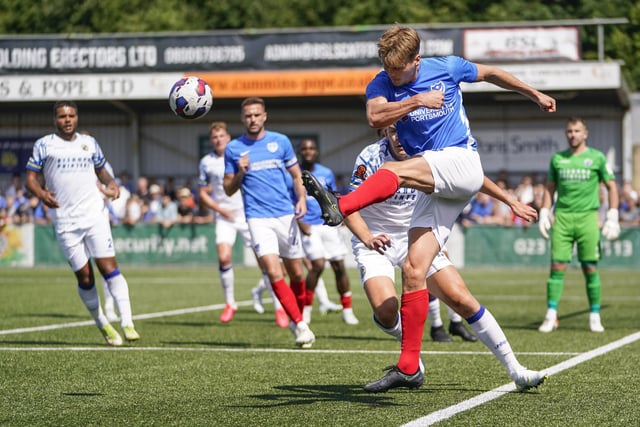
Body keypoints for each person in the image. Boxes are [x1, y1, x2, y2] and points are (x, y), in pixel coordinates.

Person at [303, 25, 555, 392]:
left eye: (399, 70)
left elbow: (491, 73)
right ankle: (420, 367)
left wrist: (532, 93)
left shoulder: (448, 67)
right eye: (387, 69)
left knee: (393, 173)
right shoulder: (381, 84)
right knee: (421, 274)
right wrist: (415, 101)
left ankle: (340, 205)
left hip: (461, 161)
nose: (391, 76)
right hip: (435, 188)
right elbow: (375, 118)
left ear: (417, 60)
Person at [344, 125, 478, 344]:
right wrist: (368, 238)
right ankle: (413, 345)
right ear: (384, 133)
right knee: (386, 311)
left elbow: (466, 181)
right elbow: (349, 206)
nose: (398, 137)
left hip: (416, 233)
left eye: (402, 130)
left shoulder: (429, 153)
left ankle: (513, 367)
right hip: (377, 238)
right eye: (392, 131)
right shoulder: (370, 157)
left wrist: (508, 200)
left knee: (461, 299)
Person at [24, 100, 140, 346]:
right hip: (66, 221)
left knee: (110, 268)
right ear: (55, 119)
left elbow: (102, 170)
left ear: (77, 118)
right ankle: (102, 323)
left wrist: (112, 184)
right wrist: (42, 194)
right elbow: (30, 180)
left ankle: (128, 321)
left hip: (94, 215)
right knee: (85, 278)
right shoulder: (44, 145)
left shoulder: (89, 143)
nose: (67, 120)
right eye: (62, 116)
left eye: (71, 115)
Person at [223, 97, 315, 348]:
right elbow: (228, 189)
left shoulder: (280, 141)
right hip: (257, 218)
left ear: (265, 116)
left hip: (285, 215)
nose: (252, 119)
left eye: (256, 115)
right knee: (274, 271)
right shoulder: (233, 149)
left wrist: (302, 200)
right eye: (248, 116)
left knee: (297, 273)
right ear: (242, 119)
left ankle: (300, 316)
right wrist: (240, 172)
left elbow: (297, 175)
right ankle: (299, 325)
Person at [198, 121, 288, 327]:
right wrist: (221, 210)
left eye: (221, 136)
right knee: (223, 257)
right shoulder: (206, 162)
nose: (218, 140)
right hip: (224, 217)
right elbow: (203, 194)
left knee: (267, 264)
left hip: (248, 214)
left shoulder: (241, 155)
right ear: (211, 140)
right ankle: (230, 303)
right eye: (214, 137)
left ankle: (278, 306)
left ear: (228, 138)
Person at [537, 117, 620, 333]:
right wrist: (545, 212)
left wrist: (612, 215)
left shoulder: (597, 158)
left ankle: (594, 314)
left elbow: (612, 187)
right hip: (563, 218)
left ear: (586, 133)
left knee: (590, 268)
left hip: (587, 218)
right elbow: (550, 187)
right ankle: (551, 314)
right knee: (557, 267)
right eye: (569, 131)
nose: (573, 134)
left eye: (577, 131)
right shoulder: (557, 159)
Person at [297, 138, 359, 325]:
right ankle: (306, 310)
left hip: (328, 225)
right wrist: (299, 221)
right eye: (304, 148)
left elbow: (334, 196)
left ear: (316, 151)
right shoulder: (293, 174)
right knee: (317, 265)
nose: (308, 151)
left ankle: (347, 310)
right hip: (308, 225)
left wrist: (339, 217)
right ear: (300, 152)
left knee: (339, 266)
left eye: (311, 148)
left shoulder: (326, 173)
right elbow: (288, 200)